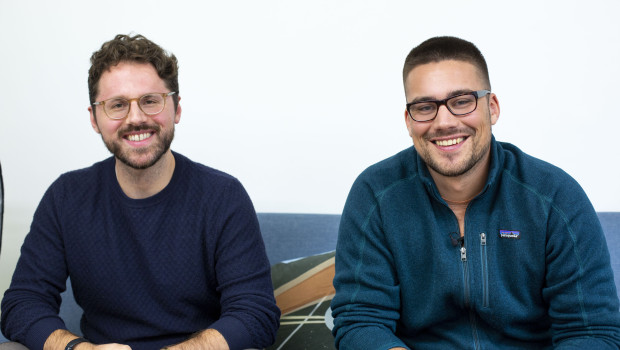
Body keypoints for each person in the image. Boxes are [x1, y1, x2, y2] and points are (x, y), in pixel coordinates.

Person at [331, 36, 620, 349]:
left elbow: (592, 332)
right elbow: (360, 320)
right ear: (408, 120)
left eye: (462, 101)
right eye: (425, 107)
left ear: (492, 108)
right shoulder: (374, 195)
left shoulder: (556, 198)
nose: (443, 122)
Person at [1, 34, 279, 350]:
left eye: (150, 100)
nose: (136, 118)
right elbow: (22, 302)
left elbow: (256, 315)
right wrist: (76, 348)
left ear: (176, 109)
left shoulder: (223, 196)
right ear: (94, 119)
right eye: (117, 105)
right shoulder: (66, 196)